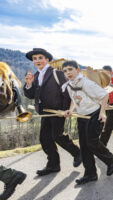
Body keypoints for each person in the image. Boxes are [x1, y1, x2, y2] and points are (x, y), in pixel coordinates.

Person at [23, 48, 81, 176]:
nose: (37, 60)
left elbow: (68, 92)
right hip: (45, 112)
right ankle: (53, 165)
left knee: (57, 135)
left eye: (40, 58)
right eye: (34, 59)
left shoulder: (57, 73)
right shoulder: (36, 76)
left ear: (47, 59)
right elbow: (31, 95)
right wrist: (29, 84)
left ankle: (77, 153)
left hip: (58, 111)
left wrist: (67, 109)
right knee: (45, 139)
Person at [62, 60, 113, 185]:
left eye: (70, 69)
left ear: (78, 69)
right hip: (82, 116)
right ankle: (90, 174)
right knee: (84, 146)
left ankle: (111, 159)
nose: (68, 73)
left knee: (91, 142)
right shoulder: (69, 85)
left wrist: (102, 113)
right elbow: (74, 100)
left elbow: (104, 95)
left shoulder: (86, 83)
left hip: (94, 115)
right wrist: (70, 110)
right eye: (65, 71)